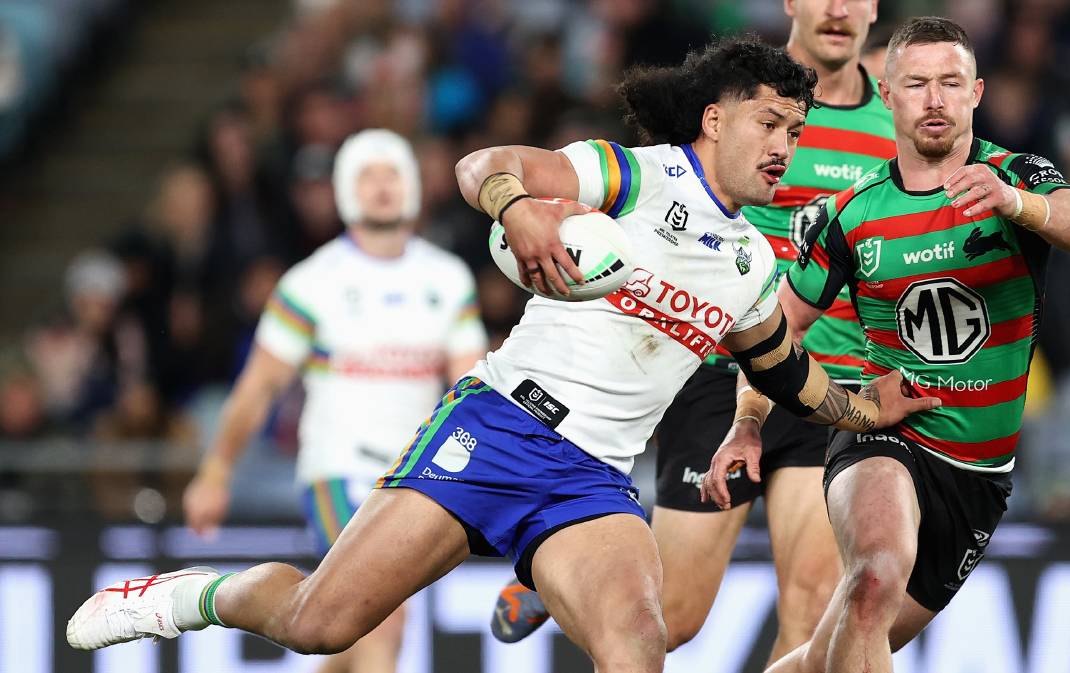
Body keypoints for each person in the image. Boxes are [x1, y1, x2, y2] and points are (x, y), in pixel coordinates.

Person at [66, 38, 933, 673]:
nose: (786, 146)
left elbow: (784, 370)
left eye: (797, 130)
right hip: (497, 429)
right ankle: (176, 598)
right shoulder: (636, 176)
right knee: (319, 623)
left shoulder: (753, 262)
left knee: (639, 647)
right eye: (770, 123)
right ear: (715, 118)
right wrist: (517, 206)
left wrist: (869, 410)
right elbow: (486, 163)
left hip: (591, 478)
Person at [702, 18, 1070, 673]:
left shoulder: (1017, 176)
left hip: (978, 474)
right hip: (882, 432)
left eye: (950, 82)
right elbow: (778, 329)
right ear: (887, 95)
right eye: (916, 83)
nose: (934, 99)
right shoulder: (853, 213)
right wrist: (748, 422)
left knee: (829, 655)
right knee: (872, 576)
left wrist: (1017, 204)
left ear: (976, 92)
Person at [491, 2, 894, 661]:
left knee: (816, 601)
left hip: (825, 378)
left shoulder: (893, 125)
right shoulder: (746, 96)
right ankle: (553, 569)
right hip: (718, 372)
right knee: (672, 617)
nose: (840, 8)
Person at [178, 128, 489, 673]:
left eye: (391, 173)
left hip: (417, 476)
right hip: (338, 471)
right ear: (346, 190)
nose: (381, 187)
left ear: (413, 185)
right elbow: (258, 387)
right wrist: (215, 471)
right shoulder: (312, 282)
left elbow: (472, 389)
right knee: (381, 614)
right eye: (367, 176)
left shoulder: (448, 277)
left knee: (346, 626)